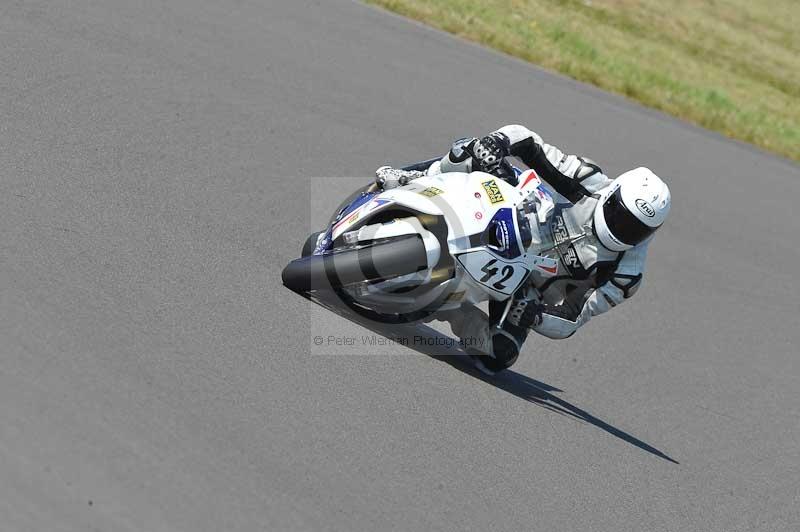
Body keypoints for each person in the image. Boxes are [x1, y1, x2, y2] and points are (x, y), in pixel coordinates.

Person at [375, 125, 671, 372]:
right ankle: (413, 178)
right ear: (612, 194)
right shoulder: (587, 181)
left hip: (525, 286)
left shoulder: (625, 274)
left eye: (635, 229)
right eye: (620, 216)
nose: (622, 229)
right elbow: (529, 142)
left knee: (498, 354)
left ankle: (447, 306)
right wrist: (498, 142)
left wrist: (537, 315)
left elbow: (574, 318)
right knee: (471, 151)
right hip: (518, 209)